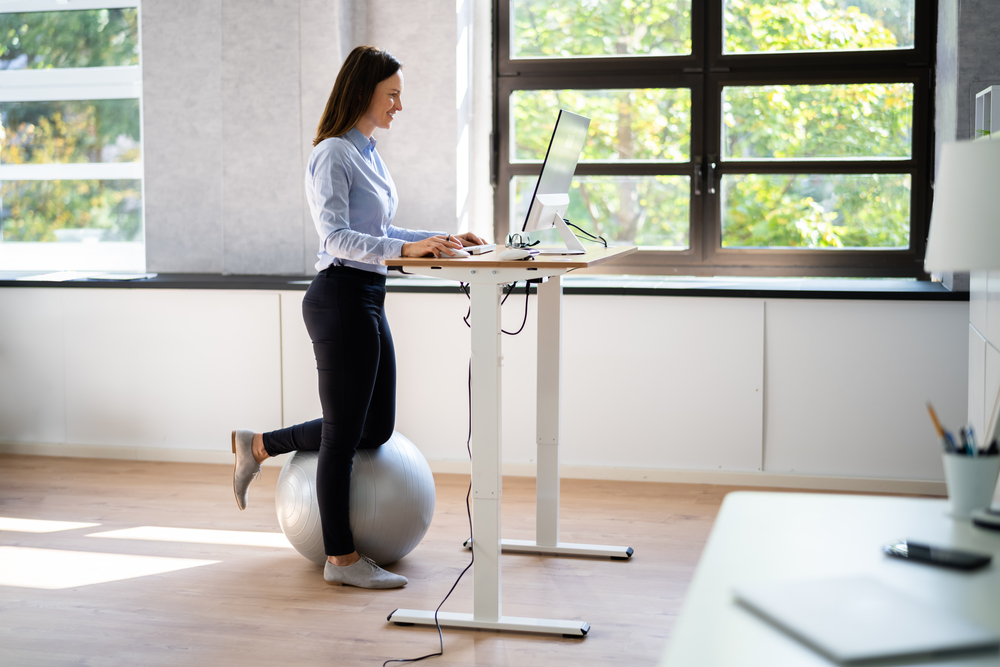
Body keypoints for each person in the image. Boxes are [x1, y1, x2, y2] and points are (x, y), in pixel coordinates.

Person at [230, 45, 483, 589]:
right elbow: (337, 237)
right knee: (346, 437)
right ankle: (340, 560)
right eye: (392, 94)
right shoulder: (332, 155)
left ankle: (258, 445)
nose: (398, 105)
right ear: (363, 90)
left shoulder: (368, 152)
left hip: (368, 294)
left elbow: (384, 231)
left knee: (375, 427)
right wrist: (409, 251)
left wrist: (440, 238)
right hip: (340, 297)